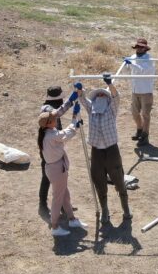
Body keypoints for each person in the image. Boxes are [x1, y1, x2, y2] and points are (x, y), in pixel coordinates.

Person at [77, 74, 131, 224]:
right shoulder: (92, 108)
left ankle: (126, 209)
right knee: (99, 180)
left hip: (111, 150)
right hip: (97, 152)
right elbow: (82, 99)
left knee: (119, 179)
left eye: (103, 94)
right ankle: (105, 211)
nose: (100, 96)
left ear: (107, 99)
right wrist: (80, 90)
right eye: (98, 95)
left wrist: (109, 84)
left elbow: (116, 96)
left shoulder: (111, 109)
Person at [38, 92, 88, 237]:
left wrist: (72, 109)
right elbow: (67, 133)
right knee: (58, 198)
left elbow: (63, 127)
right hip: (56, 169)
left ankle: (71, 219)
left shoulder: (47, 132)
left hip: (56, 168)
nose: (56, 120)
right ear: (49, 124)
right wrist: (74, 120)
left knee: (65, 195)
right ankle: (54, 226)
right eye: (54, 120)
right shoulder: (52, 135)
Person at [122, 38, 156, 146]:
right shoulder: (132, 57)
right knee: (134, 112)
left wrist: (131, 64)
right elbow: (127, 71)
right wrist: (126, 64)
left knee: (145, 115)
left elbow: (143, 71)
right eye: (137, 46)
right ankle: (139, 130)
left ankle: (145, 136)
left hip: (146, 91)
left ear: (145, 48)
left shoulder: (149, 60)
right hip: (135, 90)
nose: (139, 48)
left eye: (141, 47)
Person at [38, 86, 65, 211]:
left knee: (61, 176)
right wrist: (71, 101)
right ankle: (43, 202)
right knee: (47, 177)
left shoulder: (51, 107)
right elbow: (57, 113)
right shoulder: (47, 109)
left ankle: (64, 204)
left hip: (54, 146)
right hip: (49, 149)